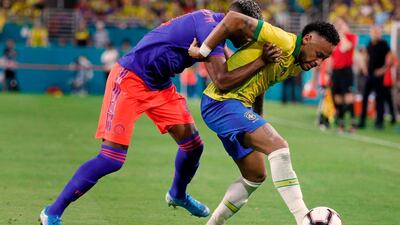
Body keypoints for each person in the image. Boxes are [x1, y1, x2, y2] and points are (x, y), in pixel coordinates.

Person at [39, 1, 277, 224]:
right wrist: (261, 62)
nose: (249, 36)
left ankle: (177, 194)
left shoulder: (216, 30)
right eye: (247, 28)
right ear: (234, 21)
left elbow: (233, 68)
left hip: (159, 84)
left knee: (193, 145)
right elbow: (223, 80)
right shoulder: (209, 28)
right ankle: (52, 212)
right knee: (112, 159)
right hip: (130, 79)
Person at [189, 14, 339, 225]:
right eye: (319, 54)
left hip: (235, 107)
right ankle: (304, 218)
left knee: (255, 175)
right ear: (306, 39)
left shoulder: (296, 63)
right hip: (222, 102)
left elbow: (261, 83)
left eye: (324, 59)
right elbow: (233, 18)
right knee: (279, 146)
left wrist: (257, 117)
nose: (319, 62)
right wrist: (202, 52)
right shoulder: (283, 41)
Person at [358, 26, 391, 129]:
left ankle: (379, 122)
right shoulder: (369, 44)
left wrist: (382, 70)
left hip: (379, 76)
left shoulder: (384, 44)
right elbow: (366, 57)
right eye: (374, 32)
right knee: (364, 98)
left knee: (379, 99)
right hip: (370, 75)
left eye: (377, 32)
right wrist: (365, 68)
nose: (375, 34)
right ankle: (362, 121)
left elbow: (390, 59)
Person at [330, 17, 358, 133]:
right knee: (338, 98)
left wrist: (342, 33)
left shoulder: (351, 37)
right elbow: (333, 57)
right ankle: (341, 125)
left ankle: (352, 125)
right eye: (338, 25)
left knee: (348, 98)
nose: (339, 27)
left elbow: (345, 47)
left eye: (341, 24)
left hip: (346, 71)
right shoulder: (335, 40)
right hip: (336, 72)